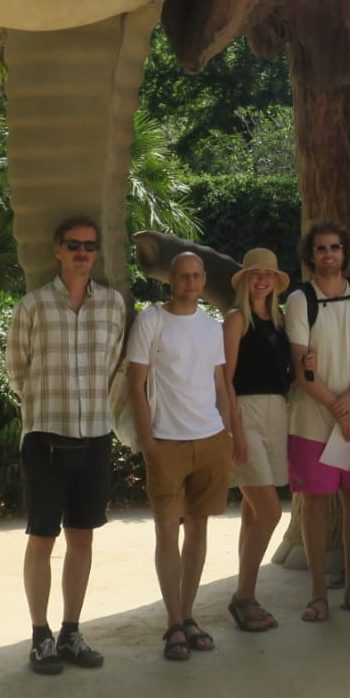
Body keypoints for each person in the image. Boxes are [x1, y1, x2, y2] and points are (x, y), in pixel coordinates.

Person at [3, 214, 129, 675]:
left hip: (94, 436)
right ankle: (40, 637)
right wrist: (44, 405)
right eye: (73, 245)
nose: (82, 252)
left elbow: (115, 363)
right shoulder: (33, 306)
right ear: (57, 250)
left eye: (89, 246)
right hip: (45, 438)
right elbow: (17, 369)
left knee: (82, 538)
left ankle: (72, 631)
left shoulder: (113, 305)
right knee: (42, 539)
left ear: (97, 253)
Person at [128, 251, 242, 661]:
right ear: (171, 279)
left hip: (210, 438)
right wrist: (148, 442)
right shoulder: (151, 321)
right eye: (183, 276)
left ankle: (189, 616)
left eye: (197, 276)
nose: (191, 283)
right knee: (166, 531)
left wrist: (227, 434)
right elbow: (135, 385)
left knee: (198, 529)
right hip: (167, 442)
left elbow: (218, 383)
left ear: (204, 278)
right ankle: (173, 623)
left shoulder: (212, 328)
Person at [284, 221, 350, 622]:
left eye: (334, 248)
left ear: (345, 253)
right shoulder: (300, 300)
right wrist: (341, 408)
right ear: (310, 255)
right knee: (314, 504)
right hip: (312, 421)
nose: (328, 254)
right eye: (320, 249)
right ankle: (317, 596)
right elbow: (302, 370)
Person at [222, 247, 295, 633]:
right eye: (255, 274)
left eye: (268, 274)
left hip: (276, 413)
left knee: (253, 512)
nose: (262, 280)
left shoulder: (279, 321)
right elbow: (225, 379)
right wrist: (232, 427)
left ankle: (243, 591)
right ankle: (244, 597)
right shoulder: (235, 320)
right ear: (245, 280)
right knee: (269, 511)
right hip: (246, 414)